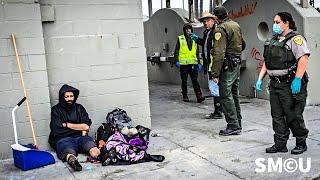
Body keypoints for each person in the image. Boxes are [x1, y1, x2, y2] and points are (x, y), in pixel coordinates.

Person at [256, 12, 309, 154]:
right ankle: (280, 144)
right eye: (274, 22)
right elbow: (267, 62)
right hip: (275, 84)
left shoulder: (296, 39)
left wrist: (298, 78)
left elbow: (303, 59)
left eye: (277, 22)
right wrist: (260, 78)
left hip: (289, 83)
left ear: (286, 23)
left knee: (293, 115)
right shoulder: (273, 40)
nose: (275, 25)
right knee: (277, 115)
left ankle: (301, 142)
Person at [209, 6, 245, 136]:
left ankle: (233, 125)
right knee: (234, 93)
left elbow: (218, 52)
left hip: (227, 65)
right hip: (236, 63)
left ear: (216, 17)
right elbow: (243, 44)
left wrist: (215, 73)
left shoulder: (220, 29)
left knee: (225, 93)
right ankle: (237, 122)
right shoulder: (235, 25)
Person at [49, 84, 100, 171]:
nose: (69, 99)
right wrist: (80, 130)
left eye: (71, 96)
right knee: (68, 151)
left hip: (81, 138)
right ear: (62, 97)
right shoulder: (56, 110)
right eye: (67, 96)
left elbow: (86, 125)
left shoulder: (79, 108)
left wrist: (66, 125)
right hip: (63, 139)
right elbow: (57, 131)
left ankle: (102, 157)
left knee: (91, 146)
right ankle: (73, 162)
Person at [191, 11, 223, 119]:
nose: (205, 23)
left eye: (208, 21)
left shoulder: (216, 32)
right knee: (214, 87)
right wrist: (198, 40)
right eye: (204, 21)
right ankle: (219, 110)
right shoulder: (207, 33)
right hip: (209, 64)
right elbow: (206, 45)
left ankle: (218, 112)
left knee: (214, 87)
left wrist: (215, 69)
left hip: (214, 65)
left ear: (213, 21)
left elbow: (217, 51)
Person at [174, 23, 205, 103]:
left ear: (191, 30)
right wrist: (176, 60)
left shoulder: (194, 38)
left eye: (189, 29)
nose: (188, 30)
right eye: (186, 29)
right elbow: (177, 50)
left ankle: (199, 95)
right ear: (184, 30)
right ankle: (185, 95)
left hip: (193, 63)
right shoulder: (180, 38)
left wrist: (199, 62)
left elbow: (197, 51)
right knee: (184, 81)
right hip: (184, 64)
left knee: (195, 80)